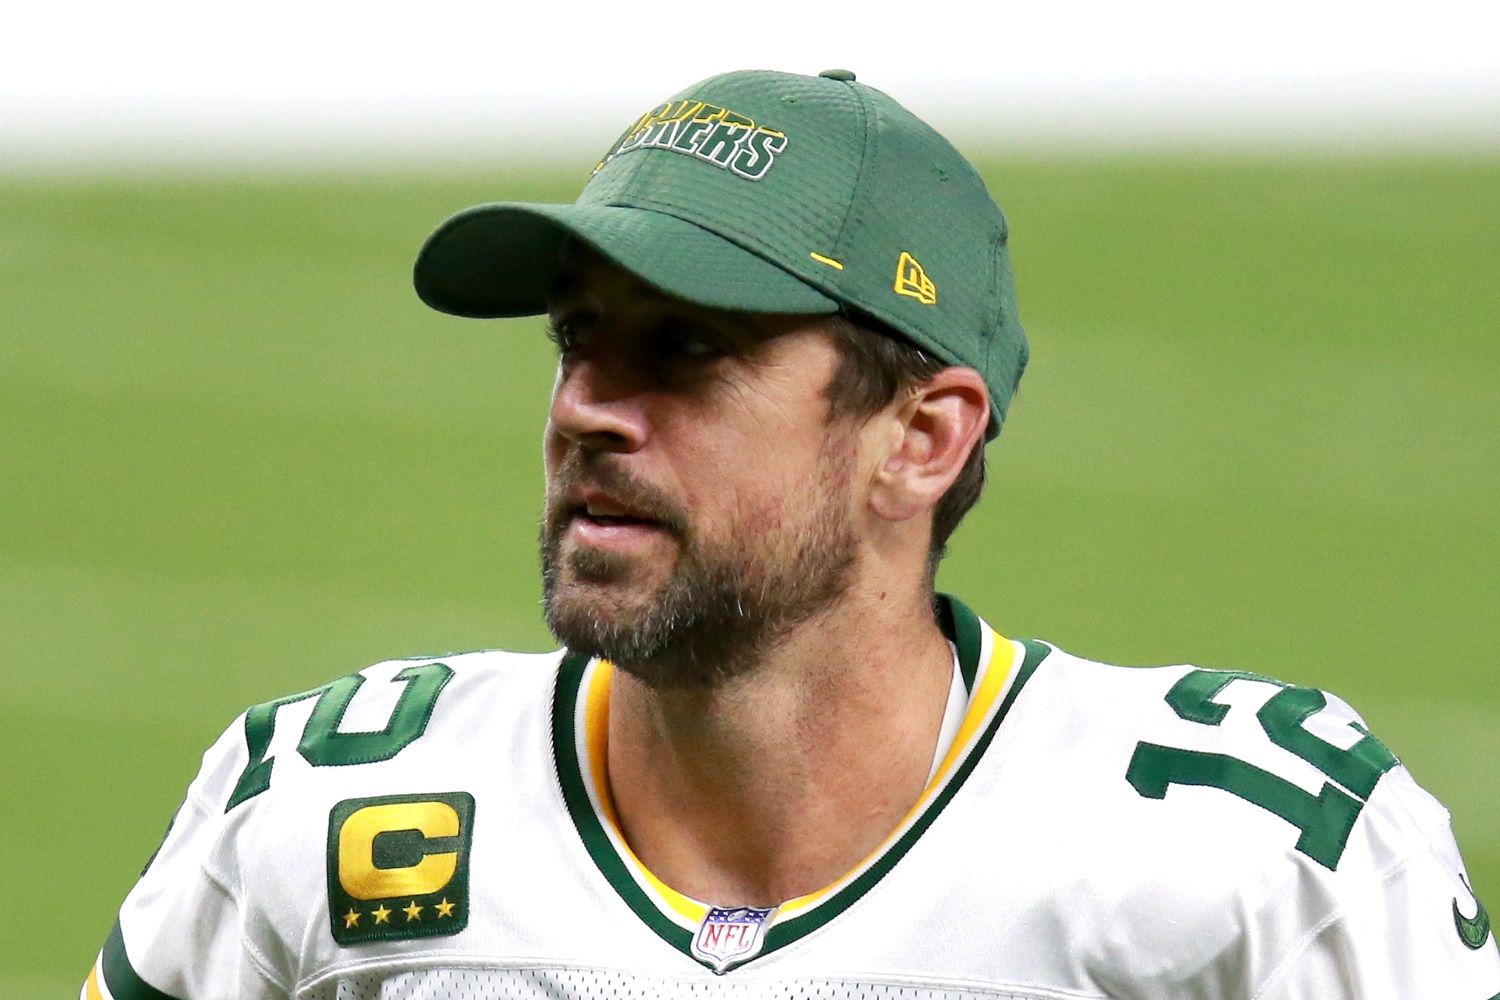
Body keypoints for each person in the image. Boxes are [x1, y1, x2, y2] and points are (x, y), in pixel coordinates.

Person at [83, 68, 1497, 1000]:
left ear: (922, 438)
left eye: (686, 351)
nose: (586, 409)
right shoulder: (323, 809)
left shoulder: (1255, 856)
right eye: (581, 342)